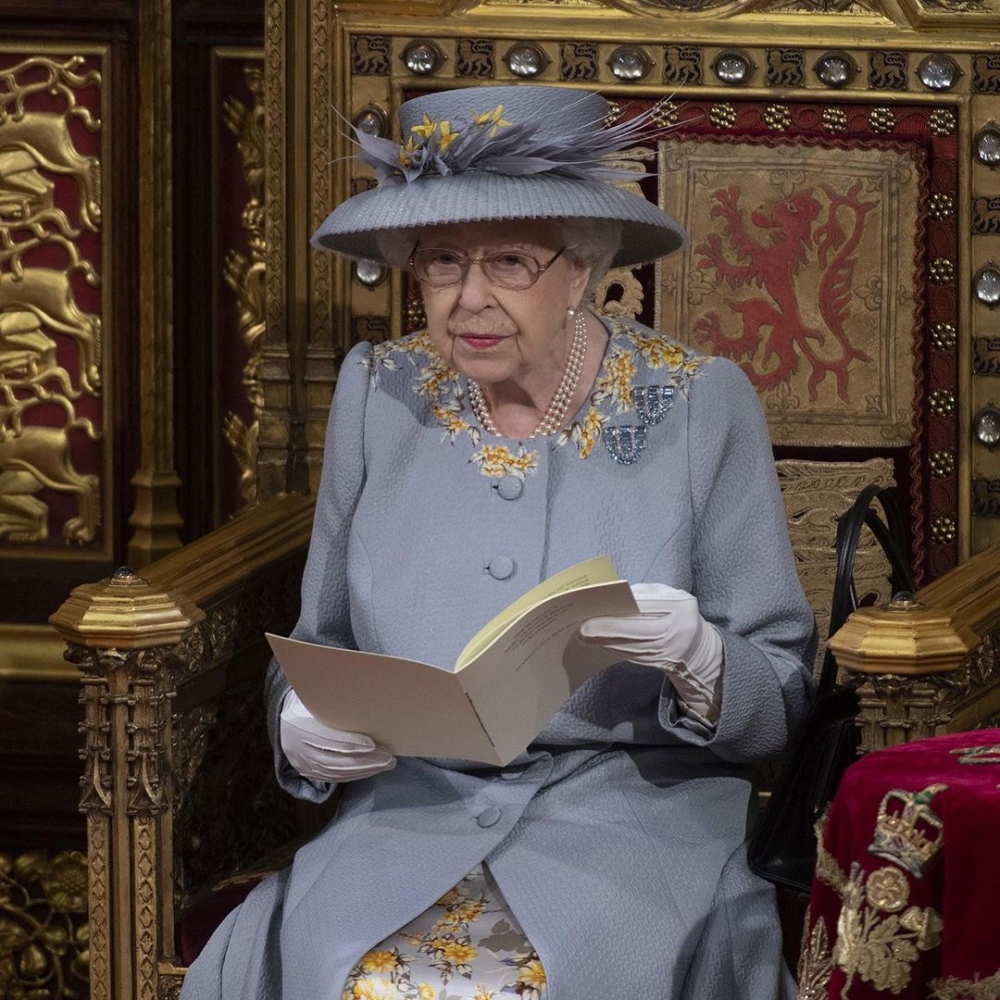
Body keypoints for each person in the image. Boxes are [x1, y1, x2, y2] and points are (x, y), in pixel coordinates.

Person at [182, 84, 817, 1000]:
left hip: (632, 820)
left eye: (510, 261)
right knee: (341, 974)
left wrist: (703, 659)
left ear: (583, 267)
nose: (468, 299)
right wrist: (301, 727)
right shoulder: (379, 391)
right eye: (442, 262)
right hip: (406, 813)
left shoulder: (697, 401)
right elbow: (317, 640)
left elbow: (783, 690)